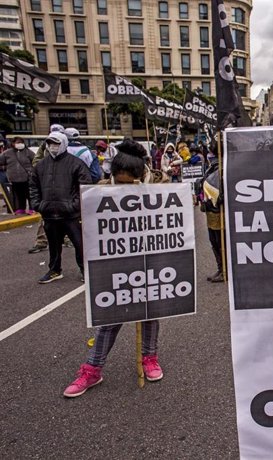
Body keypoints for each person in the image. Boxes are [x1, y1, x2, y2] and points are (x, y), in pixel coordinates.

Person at [63, 140, 167, 398]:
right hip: (115, 263)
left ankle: (149, 358)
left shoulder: (161, 185)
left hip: (148, 260)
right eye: (118, 183)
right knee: (110, 316)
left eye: (128, 184)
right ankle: (92, 368)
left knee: (149, 313)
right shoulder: (99, 191)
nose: (123, 189)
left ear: (140, 174)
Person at [29, 131, 91, 283]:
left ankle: (85, 270)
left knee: (80, 245)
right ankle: (54, 270)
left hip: (71, 216)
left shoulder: (76, 164)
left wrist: (74, 206)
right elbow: (33, 186)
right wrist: (38, 205)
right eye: (50, 144)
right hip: (49, 214)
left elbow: (85, 186)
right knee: (54, 246)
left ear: (63, 144)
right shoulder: (41, 166)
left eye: (56, 143)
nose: (53, 147)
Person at [28, 124, 66, 253]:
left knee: (68, 214)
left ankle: (66, 238)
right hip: (47, 187)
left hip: (64, 188)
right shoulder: (44, 147)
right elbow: (36, 163)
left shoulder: (68, 149)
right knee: (46, 214)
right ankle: (41, 241)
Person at [198, 146, 224, 283]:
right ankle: (220, 268)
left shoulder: (224, 168)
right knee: (214, 241)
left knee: (221, 242)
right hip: (210, 210)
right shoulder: (211, 167)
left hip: (219, 211)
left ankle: (225, 270)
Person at [0, 137, 34, 214]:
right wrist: (4, 167)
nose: (20, 144)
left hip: (27, 177)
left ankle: (32, 208)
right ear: (13, 143)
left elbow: (35, 162)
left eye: (21, 142)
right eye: (17, 142)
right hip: (14, 179)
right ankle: (21, 208)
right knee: (19, 195)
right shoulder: (7, 153)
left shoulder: (28, 152)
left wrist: (32, 171)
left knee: (29, 194)